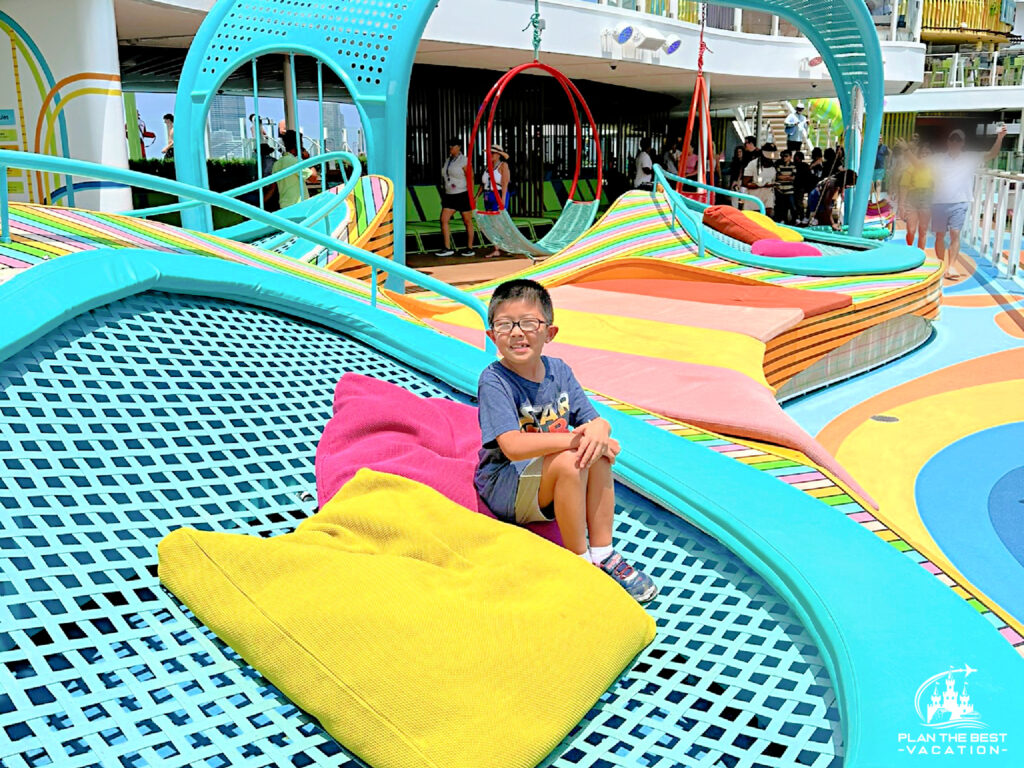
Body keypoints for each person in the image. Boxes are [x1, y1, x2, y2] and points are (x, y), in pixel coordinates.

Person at [474, 279, 658, 603]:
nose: (517, 332)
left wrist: (601, 428)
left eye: (529, 323)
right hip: (506, 486)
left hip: (543, 479)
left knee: (598, 453)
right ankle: (578, 559)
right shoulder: (495, 380)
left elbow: (592, 420)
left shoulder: (559, 371)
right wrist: (575, 439)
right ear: (492, 337)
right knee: (574, 458)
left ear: (550, 333)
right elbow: (512, 446)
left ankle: (603, 551)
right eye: (505, 325)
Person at [930, 126, 1006, 280]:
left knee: (955, 233)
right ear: (948, 141)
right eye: (953, 139)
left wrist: (1000, 138)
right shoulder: (938, 159)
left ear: (963, 143)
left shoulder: (970, 158)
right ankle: (941, 265)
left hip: (960, 201)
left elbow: (992, 154)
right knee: (939, 235)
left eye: (958, 140)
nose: (955, 142)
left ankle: (951, 266)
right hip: (939, 202)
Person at [436, 137, 475, 258]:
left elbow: (470, 177)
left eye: (453, 146)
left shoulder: (464, 160)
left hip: (462, 194)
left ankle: (469, 248)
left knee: (467, 221)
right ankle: (447, 247)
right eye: (449, 146)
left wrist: (471, 195)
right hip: (449, 195)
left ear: (459, 147)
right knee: (444, 220)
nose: (450, 148)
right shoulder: (448, 160)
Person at [899, 142, 933, 249]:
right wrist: (901, 205)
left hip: (927, 199)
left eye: (927, 153)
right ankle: (909, 249)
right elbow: (904, 187)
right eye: (923, 153)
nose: (925, 155)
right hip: (912, 199)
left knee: (923, 230)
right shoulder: (910, 168)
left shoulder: (935, 170)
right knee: (911, 230)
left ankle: (920, 254)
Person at [481, 144, 511, 258]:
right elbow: (483, 183)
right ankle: (496, 248)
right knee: (491, 223)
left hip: (498, 194)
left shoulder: (503, 166)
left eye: (492, 153)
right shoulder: (488, 166)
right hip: (488, 194)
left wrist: (502, 199)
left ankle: (505, 245)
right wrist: (477, 196)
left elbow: (505, 183)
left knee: (499, 222)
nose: (490, 156)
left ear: (498, 155)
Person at [743, 142, 777, 217]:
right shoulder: (752, 164)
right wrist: (760, 185)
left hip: (768, 196)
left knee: (767, 216)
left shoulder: (774, 166)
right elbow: (745, 183)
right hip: (754, 197)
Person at [270, 129, 302, 209]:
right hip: (298, 204)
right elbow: (314, 177)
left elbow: (273, 187)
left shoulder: (277, 164)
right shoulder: (294, 161)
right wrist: (307, 159)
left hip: (284, 204)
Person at [773, 149, 797, 224]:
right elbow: (778, 177)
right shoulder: (779, 165)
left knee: (792, 206)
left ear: (790, 157)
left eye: (786, 156)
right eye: (783, 156)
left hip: (790, 190)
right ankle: (783, 219)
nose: (784, 158)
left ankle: (794, 219)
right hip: (781, 190)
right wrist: (788, 177)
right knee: (782, 206)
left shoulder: (793, 165)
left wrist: (783, 176)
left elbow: (793, 178)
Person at [793, 150, 812, 224]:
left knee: (798, 203)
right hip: (798, 186)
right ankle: (799, 216)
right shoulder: (804, 165)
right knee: (797, 203)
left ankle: (801, 216)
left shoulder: (803, 166)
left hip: (801, 186)